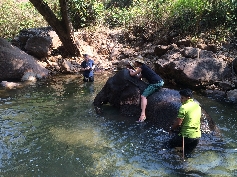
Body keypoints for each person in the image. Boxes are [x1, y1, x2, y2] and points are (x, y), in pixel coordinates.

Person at [128, 56, 164, 122]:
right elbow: (138, 77)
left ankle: (143, 114)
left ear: (138, 62)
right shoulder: (144, 68)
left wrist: (130, 70)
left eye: (135, 62)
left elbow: (132, 74)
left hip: (156, 83)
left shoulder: (141, 68)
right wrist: (134, 72)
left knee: (143, 96)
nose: (135, 63)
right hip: (160, 81)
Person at [168, 89, 202, 155]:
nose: (181, 99)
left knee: (170, 146)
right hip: (197, 136)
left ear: (188, 98)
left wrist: (171, 129)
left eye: (182, 98)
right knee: (186, 155)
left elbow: (178, 123)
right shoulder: (197, 106)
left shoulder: (184, 107)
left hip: (186, 136)